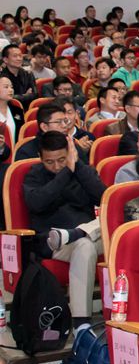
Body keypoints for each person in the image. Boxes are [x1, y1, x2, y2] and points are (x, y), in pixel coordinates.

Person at [24, 132, 105, 330]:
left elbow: (104, 197)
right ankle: (81, 324)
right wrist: (66, 172)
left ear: (69, 154)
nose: (56, 166)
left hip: (89, 236)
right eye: (49, 162)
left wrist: (77, 167)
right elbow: (37, 203)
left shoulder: (83, 170)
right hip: (53, 242)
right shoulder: (34, 175)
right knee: (85, 246)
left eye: (61, 160)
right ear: (40, 157)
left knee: (108, 223)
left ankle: (77, 232)